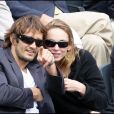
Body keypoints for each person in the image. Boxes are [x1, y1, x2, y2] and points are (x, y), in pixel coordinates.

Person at [6, 0, 113, 67]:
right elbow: (9, 3)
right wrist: (40, 17)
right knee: (103, 20)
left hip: (65, 15)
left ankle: (98, 91)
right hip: (43, 19)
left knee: (96, 43)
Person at [0, 15, 65, 113]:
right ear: (14, 39)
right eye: (28, 40)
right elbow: (2, 93)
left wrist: (51, 65)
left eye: (38, 42)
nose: (33, 46)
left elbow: (58, 92)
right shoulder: (2, 58)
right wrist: (33, 93)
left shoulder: (38, 64)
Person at [42, 19, 108, 113]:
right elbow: (54, 104)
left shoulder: (83, 58)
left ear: (69, 46)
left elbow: (102, 101)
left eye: (62, 44)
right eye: (50, 43)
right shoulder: (39, 62)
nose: (56, 48)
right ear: (44, 44)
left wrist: (81, 88)